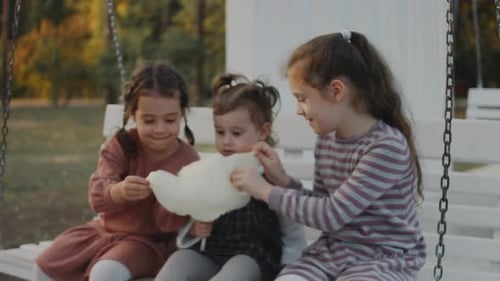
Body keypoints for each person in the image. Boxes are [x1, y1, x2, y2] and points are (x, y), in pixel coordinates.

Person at [231, 30, 426, 281]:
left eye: (302, 98)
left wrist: (263, 190)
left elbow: (330, 214)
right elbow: (323, 207)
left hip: (383, 259)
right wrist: (281, 180)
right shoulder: (327, 140)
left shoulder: (386, 147)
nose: (299, 110)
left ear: (336, 91)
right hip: (333, 253)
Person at [34, 61, 200, 281]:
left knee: (105, 273)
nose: (160, 129)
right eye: (149, 120)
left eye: (170, 120)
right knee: (45, 266)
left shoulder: (187, 159)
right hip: (102, 233)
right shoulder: (121, 145)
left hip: (148, 243)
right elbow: (97, 195)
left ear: (182, 114)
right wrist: (119, 191)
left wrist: (169, 200)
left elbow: (175, 221)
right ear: (133, 114)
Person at [154, 73, 304, 281]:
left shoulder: (271, 178)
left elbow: (292, 234)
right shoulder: (210, 171)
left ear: (262, 131)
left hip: (252, 258)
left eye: (236, 133)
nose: (226, 142)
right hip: (210, 252)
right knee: (178, 262)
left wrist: (287, 270)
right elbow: (194, 207)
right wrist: (192, 230)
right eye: (220, 132)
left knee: (236, 270)